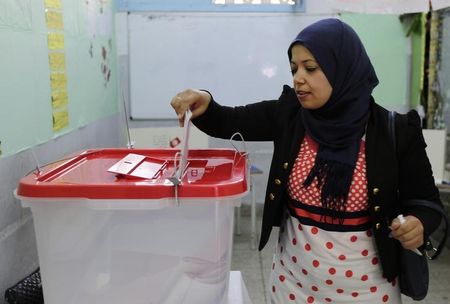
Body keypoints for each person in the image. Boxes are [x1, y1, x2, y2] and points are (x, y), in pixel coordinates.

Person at [170, 18, 442, 303]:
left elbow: (426, 203)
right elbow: (230, 120)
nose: (298, 77)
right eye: (294, 68)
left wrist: (418, 223)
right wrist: (205, 101)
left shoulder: (394, 131)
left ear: (343, 68)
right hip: (293, 286)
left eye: (310, 68)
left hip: (367, 291)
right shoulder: (290, 116)